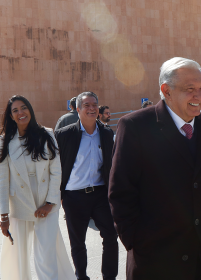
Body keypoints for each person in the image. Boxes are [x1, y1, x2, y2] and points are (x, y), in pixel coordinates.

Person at [109, 57, 201, 280]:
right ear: (166, 91)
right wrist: (136, 241)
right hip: (158, 262)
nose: (199, 96)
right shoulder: (135, 127)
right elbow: (121, 192)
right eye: (190, 89)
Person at [0, 95, 75, 280]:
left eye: (23, 108)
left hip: (46, 204)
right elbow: (2, 180)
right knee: (18, 258)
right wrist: (4, 215)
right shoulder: (5, 140)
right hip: (19, 205)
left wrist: (50, 202)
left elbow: (56, 171)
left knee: (47, 256)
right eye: (15, 110)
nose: (20, 113)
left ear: (30, 109)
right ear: (11, 116)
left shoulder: (46, 134)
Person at [55, 92, 118, 280]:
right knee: (77, 242)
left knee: (111, 236)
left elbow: (112, 164)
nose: (92, 108)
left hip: (100, 194)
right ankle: (81, 276)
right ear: (77, 109)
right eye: (87, 105)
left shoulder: (107, 133)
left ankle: (109, 276)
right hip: (74, 196)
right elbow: (54, 166)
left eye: (94, 105)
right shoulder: (64, 135)